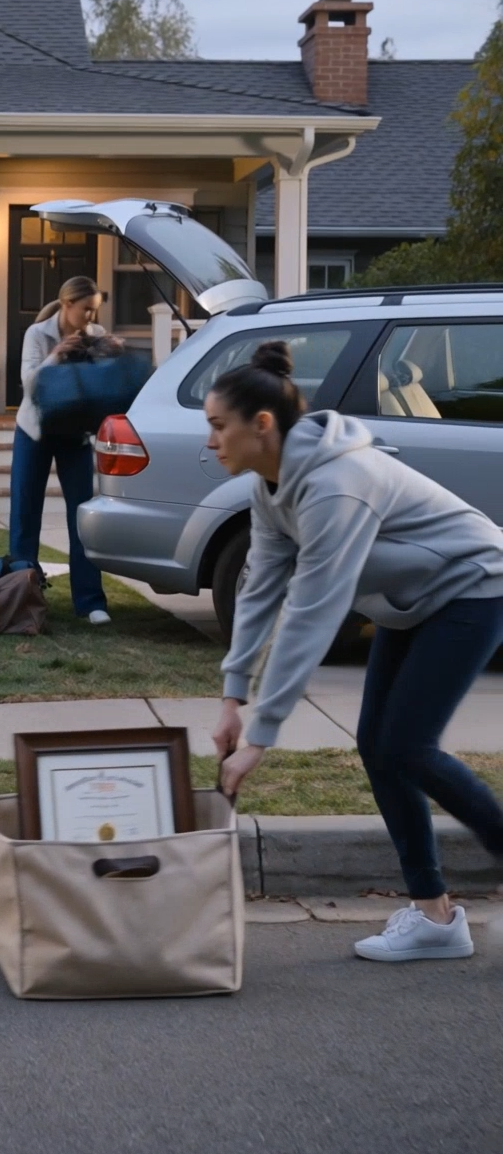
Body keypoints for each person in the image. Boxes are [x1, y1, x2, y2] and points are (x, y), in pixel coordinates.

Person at [208, 342, 503, 962]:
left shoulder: (339, 485)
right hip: (413, 600)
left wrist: (262, 734)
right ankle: (436, 917)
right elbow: (260, 588)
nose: (211, 440)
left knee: (407, 747)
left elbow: (312, 613)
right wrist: (233, 697)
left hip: (474, 586)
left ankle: (445, 907)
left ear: (261, 425)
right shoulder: (270, 487)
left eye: (217, 425)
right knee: (380, 746)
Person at [11, 275, 110, 625]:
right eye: (86, 311)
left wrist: (112, 353)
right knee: (25, 515)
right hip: (34, 431)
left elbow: (101, 383)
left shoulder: (94, 336)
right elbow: (30, 384)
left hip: (74, 433)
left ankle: (90, 602)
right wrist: (57, 354)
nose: (90, 319)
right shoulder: (37, 335)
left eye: (95, 312)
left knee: (80, 517)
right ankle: (21, 597)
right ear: (67, 305)